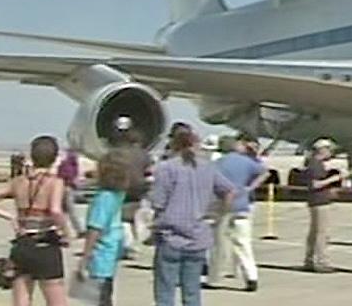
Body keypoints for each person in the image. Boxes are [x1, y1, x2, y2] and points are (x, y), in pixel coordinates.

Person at [0, 135, 74, 306]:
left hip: (22, 245)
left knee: (21, 298)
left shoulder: (18, 182)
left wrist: (10, 217)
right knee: (55, 298)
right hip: (45, 245)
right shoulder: (55, 183)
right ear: (54, 158)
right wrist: (66, 233)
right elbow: (55, 210)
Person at [150, 123, 235, 306]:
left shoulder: (166, 168)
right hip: (198, 235)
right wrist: (219, 214)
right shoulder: (207, 167)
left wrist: (153, 227)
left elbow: (158, 202)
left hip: (171, 235)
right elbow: (229, 191)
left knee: (165, 290)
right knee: (192, 291)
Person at [206, 135, 269, 291]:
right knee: (243, 243)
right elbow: (265, 172)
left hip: (224, 206)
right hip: (242, 205)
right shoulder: (246, 162)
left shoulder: (217, 164)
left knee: (218, 245)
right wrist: (250, 187)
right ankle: (251, 276)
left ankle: (214, 278)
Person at [76, 154, 130, 306]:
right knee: (105, 295)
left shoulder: (103, 198)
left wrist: (84, 259)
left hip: (101, 253)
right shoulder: (118, 194)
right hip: (112, 250)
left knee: (97, 299)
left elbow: (95, 229)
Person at [106, 119, 152, 259]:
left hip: (120, 187)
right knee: (135, 217)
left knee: (122, 218)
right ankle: (135, 244)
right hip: (139, 188)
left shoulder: (114, 153)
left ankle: (127, 245)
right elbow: (149, 171)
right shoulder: (143, 154)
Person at [302, 138, 342, 273]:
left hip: (316, 201)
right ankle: (321, 261)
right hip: (320, 201)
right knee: (322, 233)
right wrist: (335, 178)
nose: (331, 153)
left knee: (314, 232)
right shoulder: (316, 165)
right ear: (323, 150)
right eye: (330, 150)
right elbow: (315, 184)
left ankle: (310, 259)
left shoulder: (313, 163)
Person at [57, 147, 85, 236]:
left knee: (65, 210)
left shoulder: (69, 164)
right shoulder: (71, 165)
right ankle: (78, 230)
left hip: (66, 188)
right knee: (69, 210)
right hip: (67, 188)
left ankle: (63, 230)